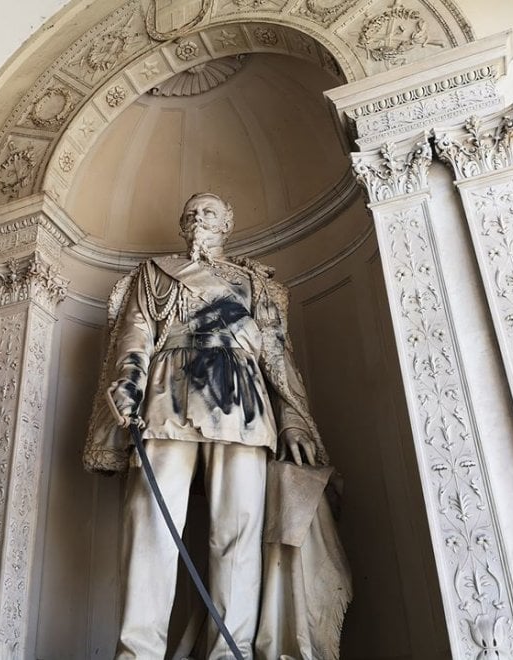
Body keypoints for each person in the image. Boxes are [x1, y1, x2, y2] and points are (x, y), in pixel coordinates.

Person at [83, 193, 351, 659]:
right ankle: (137, 652)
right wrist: (129, 383)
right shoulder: (158, 272)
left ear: (228, 222)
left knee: (239, 530)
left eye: (208, 211)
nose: (196, 217)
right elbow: (136, 329)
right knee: (150, 526)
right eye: (189, 212)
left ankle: (231, 651)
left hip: (243, 400)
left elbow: (276, 354)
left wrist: (292, 420)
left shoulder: (254, 282)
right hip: (168, 393)